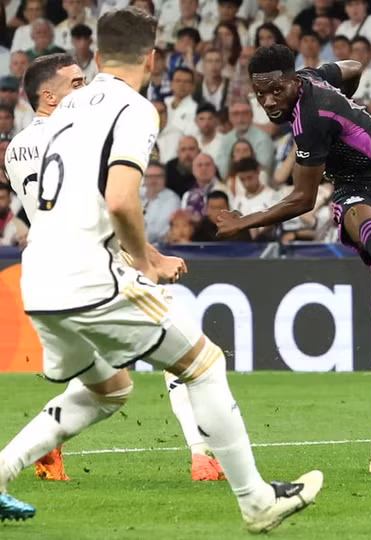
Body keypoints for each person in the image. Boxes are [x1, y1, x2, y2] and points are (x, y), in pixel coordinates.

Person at [0, 9, 323, 531]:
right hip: (91, 277)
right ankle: (257, 500)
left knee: (112, 390)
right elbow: (123, 201)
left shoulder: (64, 110)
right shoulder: (135, 109)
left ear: (99, 58)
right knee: (203, 364)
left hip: (37, 279)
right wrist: (146, 259)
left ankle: (1, 471)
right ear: (152, 59)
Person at [216, 44, 371, 475]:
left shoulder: (308, 120)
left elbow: (301, 199)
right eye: (261, 95)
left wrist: (245, 222)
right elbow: (352, 67)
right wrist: (349, 103)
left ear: (292, 80)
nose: (269, 101)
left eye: (276, 90)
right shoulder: (315, 77)